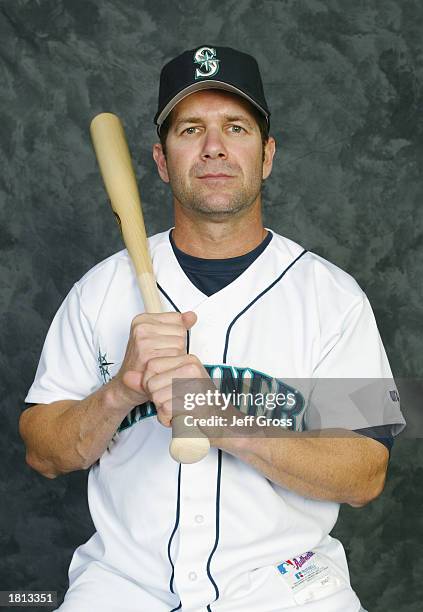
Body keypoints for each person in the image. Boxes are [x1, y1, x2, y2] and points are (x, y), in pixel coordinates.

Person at [20, 45, 405, 612]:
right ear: (160, 159)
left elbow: (366, 472)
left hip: (289, 587)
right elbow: (43, 451)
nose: (214, 147)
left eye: (236, 127)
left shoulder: (336, 297)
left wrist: (230, 425)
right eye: (191, 129)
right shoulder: (99, 291)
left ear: (267, 154)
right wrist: (120, 389)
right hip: (126, 586)